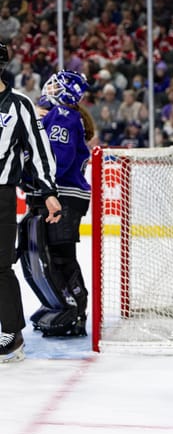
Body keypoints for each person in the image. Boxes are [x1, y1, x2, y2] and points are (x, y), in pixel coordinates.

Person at [20, 70, 96, 338]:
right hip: (60, 194)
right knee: (49, 256)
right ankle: (64, 305)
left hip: (64, 195)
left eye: (55, 84)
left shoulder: (63, 117)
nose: (49, 87)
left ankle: (76, 309)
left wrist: (35, 179)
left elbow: (56, 163)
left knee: (61, 257)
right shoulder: (60, 115)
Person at [0, 42, 62, 362]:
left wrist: (49, 191)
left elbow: (38, 151)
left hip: (2, 195)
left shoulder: (19, 105)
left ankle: (12, 334)